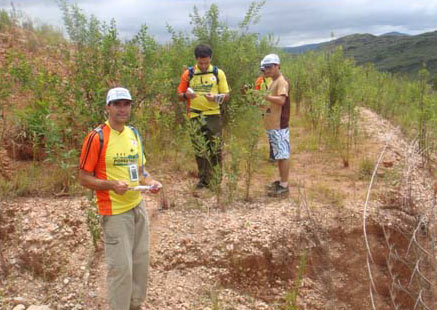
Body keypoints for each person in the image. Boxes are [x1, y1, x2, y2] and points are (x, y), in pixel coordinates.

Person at [78, 87, 162, 310]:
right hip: (114, 212)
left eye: (126, 104)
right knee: (121, 269)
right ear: (108, 107)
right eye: (117, 104)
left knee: (140, 263)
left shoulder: (133, 133)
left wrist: (151, 182)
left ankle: (135, 306)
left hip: (138, 206)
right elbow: (83, 177)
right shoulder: (97, 137)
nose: (123, 109)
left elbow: (142, 170)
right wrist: (111, 185)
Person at [177, 44, 230, 189]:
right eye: (201, 63)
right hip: (194, 115)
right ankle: (203, 179)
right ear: (196, 60)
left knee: (215, 147)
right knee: (199, 148)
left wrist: (215, 97)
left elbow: (226, 96)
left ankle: (216, 179)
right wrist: (186, 95)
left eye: (206, 62)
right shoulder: (188, 74)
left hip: (213, 115)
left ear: (210, 59)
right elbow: (180, 95)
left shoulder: (218, 73)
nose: (204, 65)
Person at [261, 54, 291, 196]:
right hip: (272, 123)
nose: (266, 70)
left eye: (269, 67)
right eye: (264, 68)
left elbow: (281, 100)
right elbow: (271, 103)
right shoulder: (273, 82)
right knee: (279, 155)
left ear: (277, 66)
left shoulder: (281, 81)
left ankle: (284, 186)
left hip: (279, 124)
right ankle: (281, 182)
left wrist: (265, 97)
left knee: (283, 154)